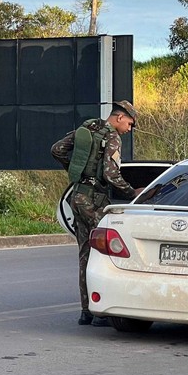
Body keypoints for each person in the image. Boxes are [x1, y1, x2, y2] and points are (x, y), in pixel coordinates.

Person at [51, 101, 141, 326]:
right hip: (94, 200)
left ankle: (86, 312)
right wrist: (132, 192)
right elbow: (111, 174)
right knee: (104, 253)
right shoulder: (112, 137)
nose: (129, 129)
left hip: (78, 196)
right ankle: (100, 311)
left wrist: (77, 170)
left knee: (85, 253)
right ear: (119, 118)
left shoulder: (88, 129)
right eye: (129, 124)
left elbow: (57, 149)